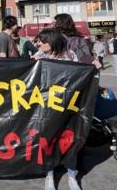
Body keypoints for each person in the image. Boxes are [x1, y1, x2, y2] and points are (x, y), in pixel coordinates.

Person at [31, 28, 82, 190]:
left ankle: (72, 174)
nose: (39, 43)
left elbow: (81, 75)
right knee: (48, 138)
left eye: (42, 41)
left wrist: (93, 65)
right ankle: (49, 173)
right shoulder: (39, 56)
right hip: (46, 106)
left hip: (68, 104)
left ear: (51, 41)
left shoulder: (70, 55)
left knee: (70, 138)